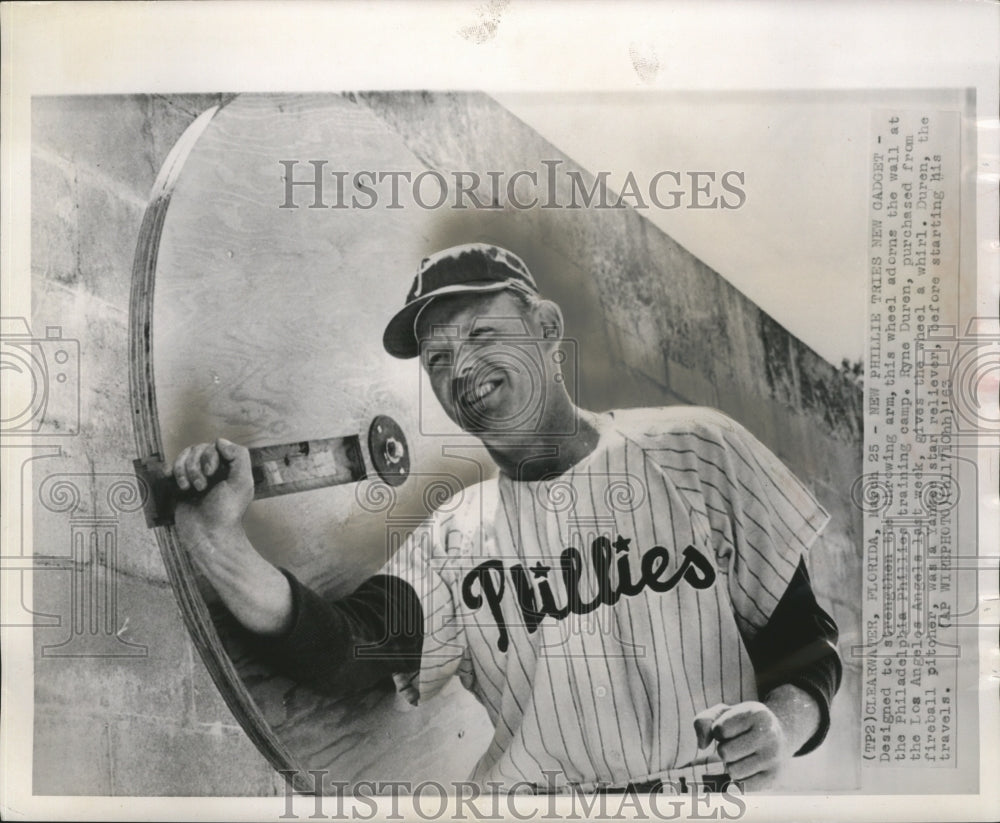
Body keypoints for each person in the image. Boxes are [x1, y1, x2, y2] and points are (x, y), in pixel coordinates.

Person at [172, 243, 841, 793]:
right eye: (436, 359)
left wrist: (781, 725)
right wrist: (219, 541)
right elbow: (351, 651)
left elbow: (805, 644)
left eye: (482, 334)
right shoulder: (454, 536)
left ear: (547, 328)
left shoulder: (696, 448)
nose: (461, 368)